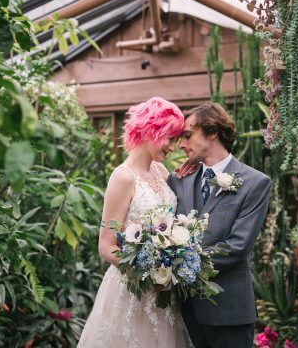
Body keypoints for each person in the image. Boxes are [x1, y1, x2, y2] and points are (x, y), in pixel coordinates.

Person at [77, 97, 191, 348]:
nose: (173, 147)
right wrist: (149, 275)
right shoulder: (122, 177)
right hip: (132, 292)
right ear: (151, 130)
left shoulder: (162, 172)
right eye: (170, 138)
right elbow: (106, 247)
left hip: (163, 296)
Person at [168, 102, 272, 348]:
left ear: (212, 132)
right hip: (186, 312)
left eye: (187, 135)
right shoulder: (178, 179)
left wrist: (177, 266)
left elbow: (237, 247)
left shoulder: (255, 183)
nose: (181, 144)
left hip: (229, 313)